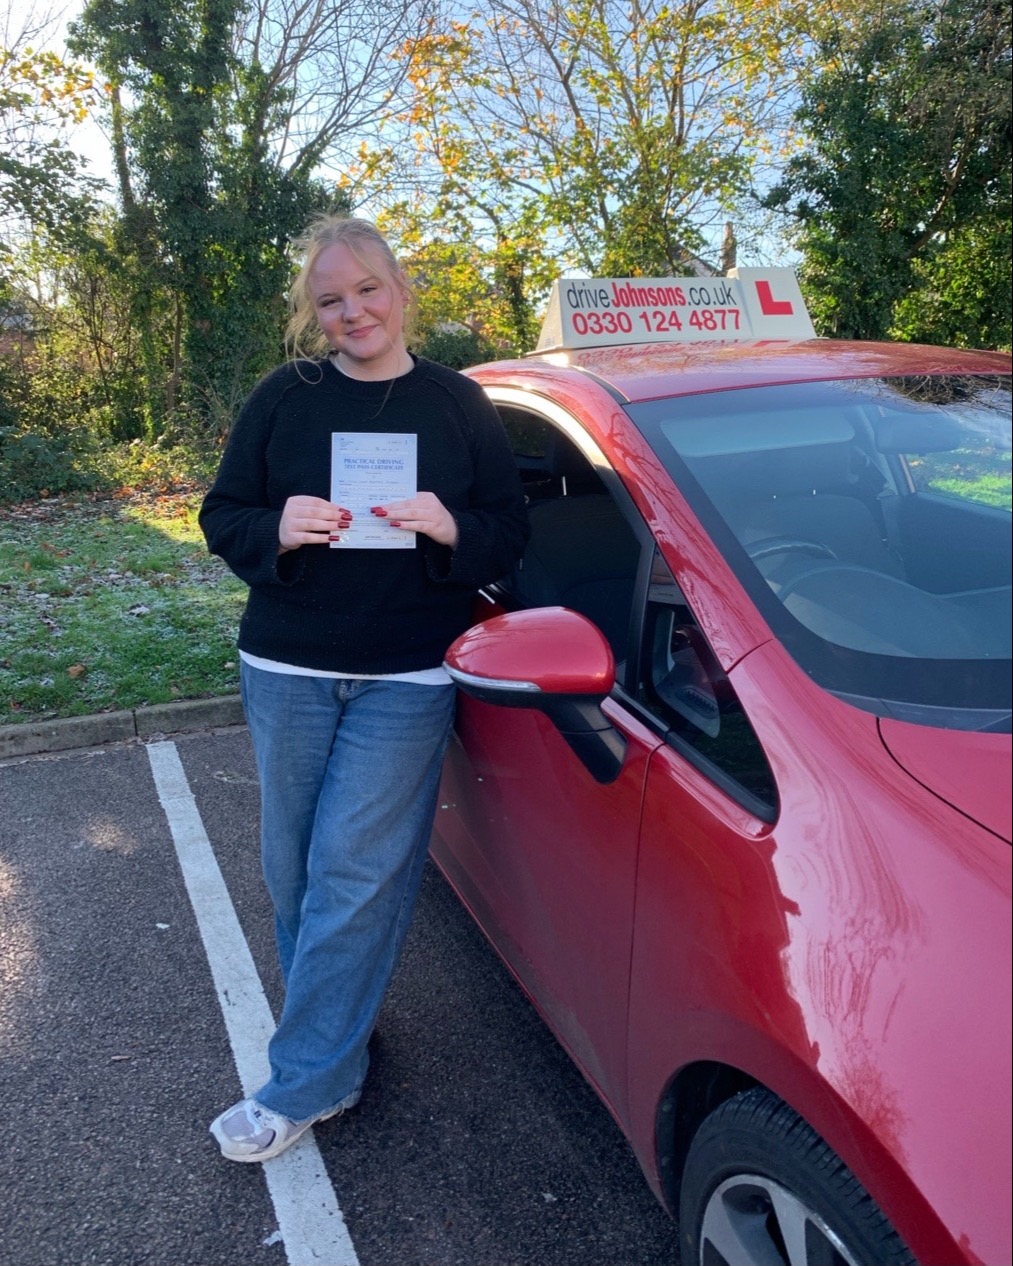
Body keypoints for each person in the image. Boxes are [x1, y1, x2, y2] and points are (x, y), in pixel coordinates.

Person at [199, 214, 530, 1163]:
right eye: (330, 300)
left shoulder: (457, 404)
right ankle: (337, 1043)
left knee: (354, 875)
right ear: (314, 314)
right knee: (294, 872)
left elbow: (508, 531)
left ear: (399, 288)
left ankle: (301, 1082)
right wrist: (278, 529)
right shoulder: (283, 399)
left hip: (408, 675)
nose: (353, 312)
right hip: (287, 666)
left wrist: (450, 526)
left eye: (366, 290)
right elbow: (222, 514)